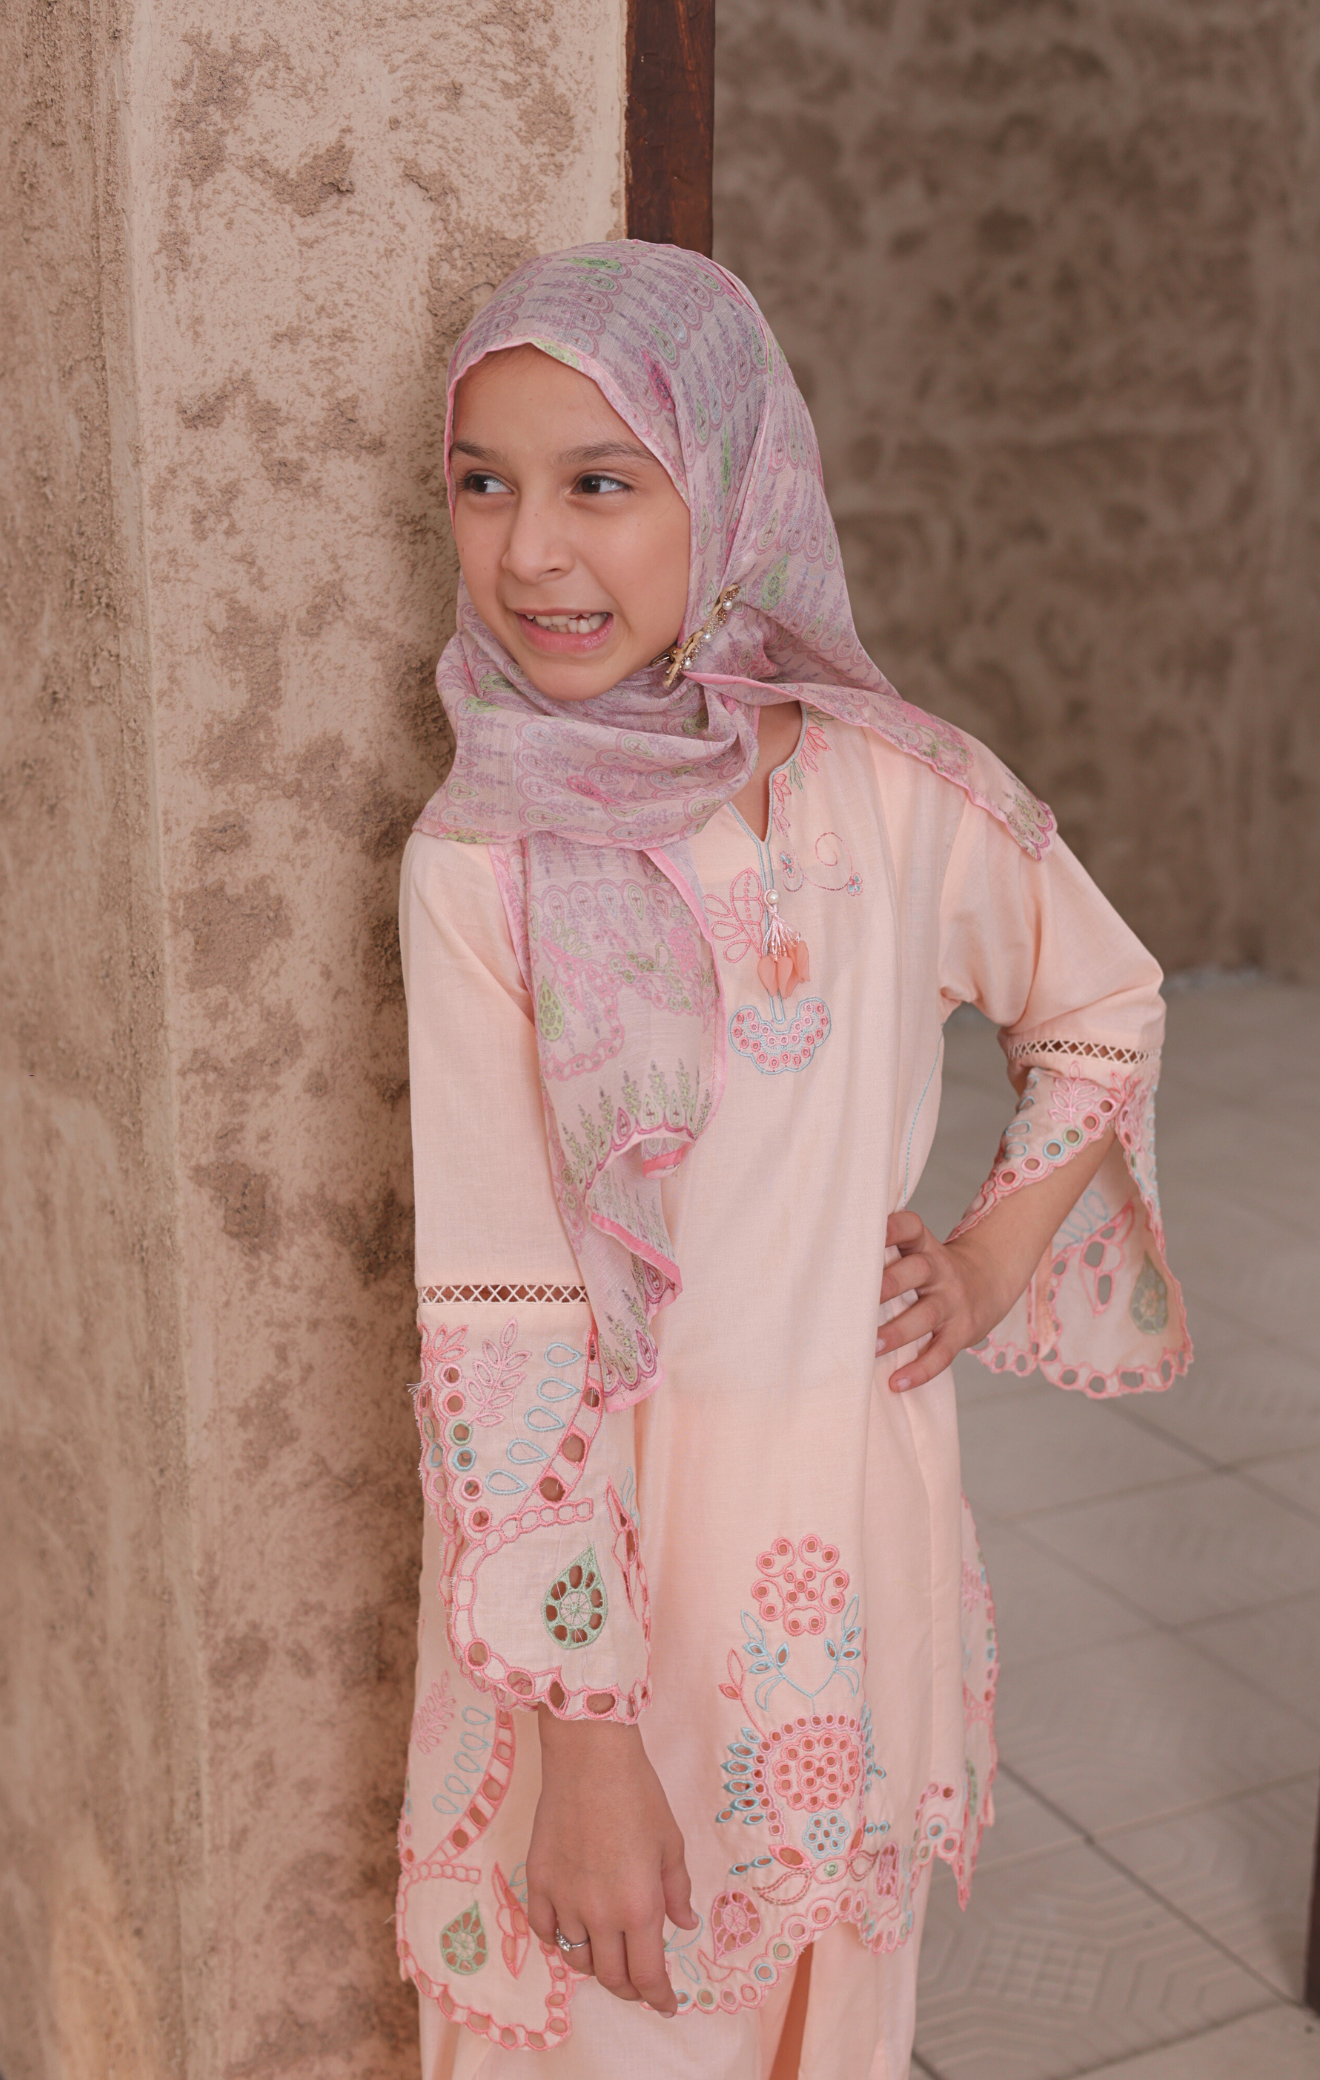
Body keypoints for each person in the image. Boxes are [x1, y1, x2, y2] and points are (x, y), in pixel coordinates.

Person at [394, 242, 1189, 2080]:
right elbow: (504, 1334)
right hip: (599, 1602)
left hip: (847, 1529)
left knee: (825, 2016)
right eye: (482, 483)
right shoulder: (482, 859)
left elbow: (1102, 1000)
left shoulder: (892, 793)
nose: (530, 552)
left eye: (602, 482)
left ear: (734, 480)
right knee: (608, 2020)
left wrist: (988, 1263)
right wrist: (585, 1750)